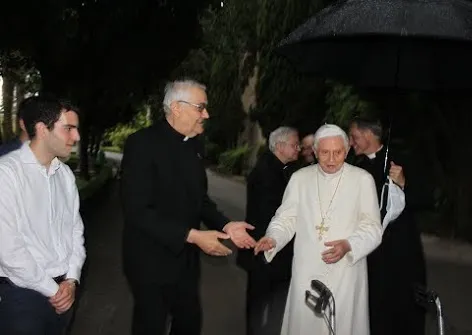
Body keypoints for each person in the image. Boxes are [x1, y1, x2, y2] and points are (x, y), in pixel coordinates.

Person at [120, 79, 256, 335]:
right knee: (150, 326)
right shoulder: (141, 144)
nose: (206, 114)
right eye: (200, 107)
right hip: (149, 261)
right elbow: (137, 210)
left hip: (185, 261)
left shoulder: (194, 144)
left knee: (189, 323)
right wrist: (194, 236)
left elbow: (199, 200)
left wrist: (226, 224)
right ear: (176, 107)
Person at [255, 124, 382, 335]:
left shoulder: (362, 180)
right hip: (307, 269)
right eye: (325, 152)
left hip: (345, 271)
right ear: (314, 152)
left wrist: (349, 245)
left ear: (347, 150)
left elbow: (372, 227)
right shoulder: (300, 179)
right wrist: (273, 238)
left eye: (338, 152)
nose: (331, 159)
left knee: (341, 325)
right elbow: (286, 218)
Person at [0, 96, 86, 334]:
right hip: (22, 298)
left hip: (64, 295)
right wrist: (55, 290)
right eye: (68, 128)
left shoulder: (65, 174)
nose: (76, 137)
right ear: (42, 130)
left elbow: (75, 231)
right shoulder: (6, 175)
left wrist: (72, 278)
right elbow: (9, 251)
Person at [348, 117, 428, 335]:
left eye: (354, 137)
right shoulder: (358, 167)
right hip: (372, 255)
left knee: (403, 312)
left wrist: (403, 183)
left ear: (368, 135)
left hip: (402, 253)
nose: (351, 142)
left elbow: (425, 199)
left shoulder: (401, 160)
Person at [237, 126, 300, 335]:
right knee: (260, 300)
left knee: (270, 299)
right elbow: (271, 214)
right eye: (294, 145)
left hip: (272, 249)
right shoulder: (267, 173)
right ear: (280, 146)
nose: (298, 148)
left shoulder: (278, 168)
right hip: (264, 248)